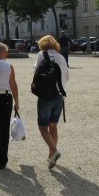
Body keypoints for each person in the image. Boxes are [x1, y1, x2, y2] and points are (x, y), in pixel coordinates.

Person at [34, 35, 69, 170]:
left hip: (45, 96)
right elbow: (66, 76)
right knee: (53, 127)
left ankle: (54, 151)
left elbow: (36, 72)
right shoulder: (60, 57)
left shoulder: (41, 55)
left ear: (42, 44)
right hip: (59, 96)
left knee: (43, 127)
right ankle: (51, 156)